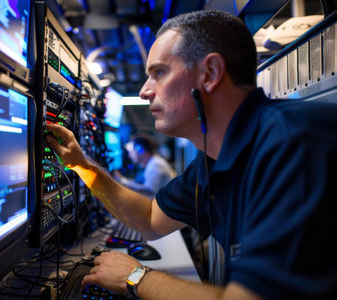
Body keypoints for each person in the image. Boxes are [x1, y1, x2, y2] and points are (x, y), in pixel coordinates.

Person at [46, 9, 337, 300]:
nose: (145, 91)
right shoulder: (213, 162)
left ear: (210, 73)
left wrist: (136, 277)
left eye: (158, 73)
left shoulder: (295, 142)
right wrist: (82, 166)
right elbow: (150, 219)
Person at [113, 134, 175, 198]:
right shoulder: (153, 162)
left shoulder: (156, 166)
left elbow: (149, 193)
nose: (129, 156)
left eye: (131, 152)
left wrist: (122, 181)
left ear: (140, 150)